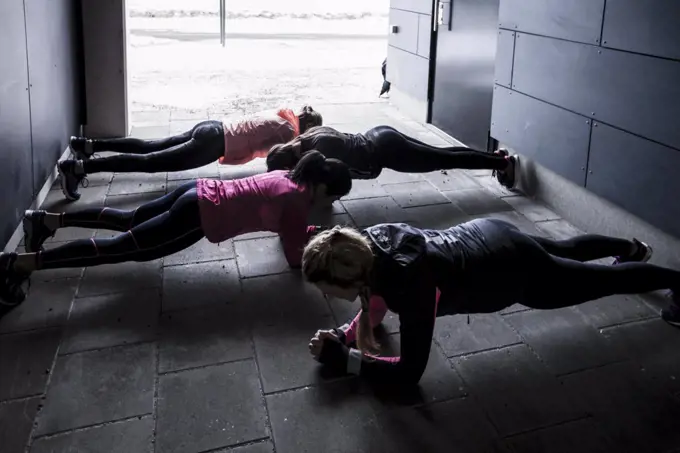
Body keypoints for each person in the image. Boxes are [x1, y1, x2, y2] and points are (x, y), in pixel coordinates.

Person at [302, 220, 680, 388]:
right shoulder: (367, 244)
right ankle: (631, 248)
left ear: (349, 277)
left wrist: (345, 360)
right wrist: (344, 335)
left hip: (511, 273)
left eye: (325, 287)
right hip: (487, 234)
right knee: (564, 251)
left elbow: (408, 373)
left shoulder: (410, 285)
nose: (324, 295)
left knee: (603, 282)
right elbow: (376, 301)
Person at [0, 151, 350, 317]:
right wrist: (316, 243)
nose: (329, 202)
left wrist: (304, 231)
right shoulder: (297, 202)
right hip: (199, 217)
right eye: (332, 196)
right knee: (120, 249)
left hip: (196, 191)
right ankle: (19, 265)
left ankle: (45, 222)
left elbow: (282, 225)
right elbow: (294, 258)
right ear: (321, 186)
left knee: (127, 220)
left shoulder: (289, 176)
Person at [58, 105, 323, 201]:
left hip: (213, 127)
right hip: (214, 144)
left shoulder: (283, 113)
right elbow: (278, 162)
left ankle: (89, 145)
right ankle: (79, 168)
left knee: (152, 147)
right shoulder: (289, 132)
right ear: (309, 126)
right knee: (151, 162)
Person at [266, 125, 518, 189]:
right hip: (379, 134)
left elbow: (343, 176)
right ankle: (495, 158)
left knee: (444, 159)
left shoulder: (316, 153)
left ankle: (502, 163)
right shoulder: (308, 136)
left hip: (386, 152)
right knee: (443, 154)